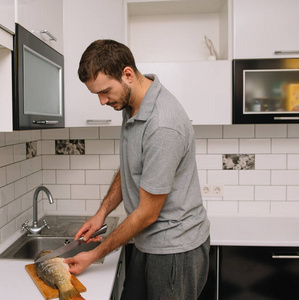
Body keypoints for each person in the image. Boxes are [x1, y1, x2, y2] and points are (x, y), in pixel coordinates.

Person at [63, 39, 210, 300]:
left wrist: (94, 255)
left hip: (174, 250)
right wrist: (102, 214)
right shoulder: (131, 105)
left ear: (127, 74)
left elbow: (146, 214)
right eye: (96, 94)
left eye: (105, 91)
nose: (102, 101)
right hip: (148, 241)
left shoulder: (162, 125)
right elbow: (132, 166)